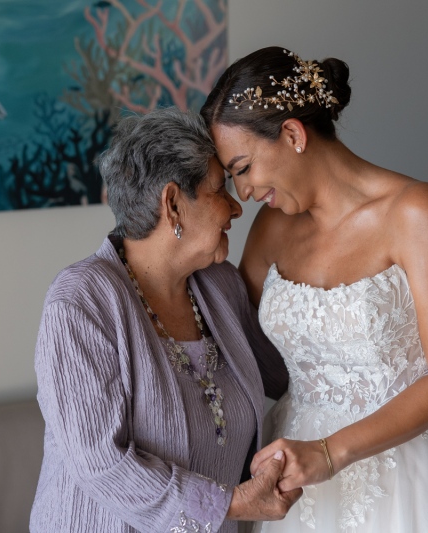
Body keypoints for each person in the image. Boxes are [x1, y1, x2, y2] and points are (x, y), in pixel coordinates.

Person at [200, 46, 428, 532]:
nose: (241, 193)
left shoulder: (418, 211)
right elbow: (234, 342)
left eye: (242, 168)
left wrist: (331, 452)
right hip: (302, 484)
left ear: (292, 134)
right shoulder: (271, 229)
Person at [29, 107, 302, 532]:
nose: (236, 207)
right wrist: (233, 502)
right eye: (218, 189)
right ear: (173, 204)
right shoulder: (80, 302)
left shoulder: (221, 285)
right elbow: (102, 465)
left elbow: (288, 376)